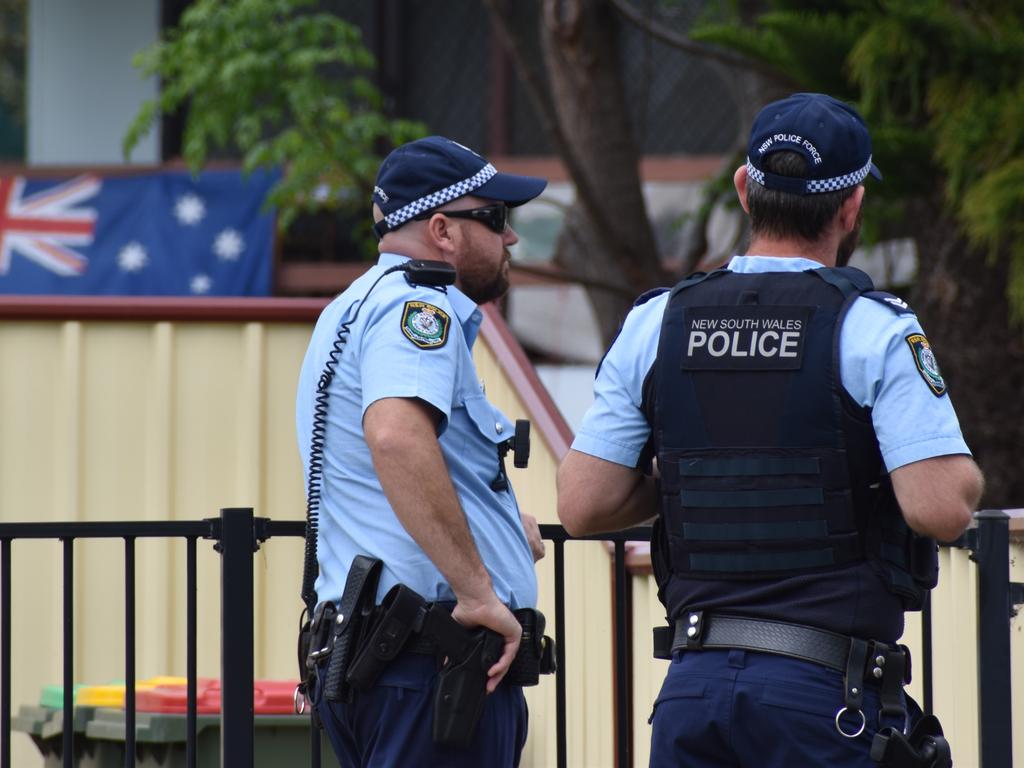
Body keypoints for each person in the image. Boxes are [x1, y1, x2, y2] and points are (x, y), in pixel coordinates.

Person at [557, 93, 984, 767]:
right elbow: (941, 508)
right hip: (822, 700)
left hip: (692, 695)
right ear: (851, 207)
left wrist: (695, 477)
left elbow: (582, 505)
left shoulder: (657, 322)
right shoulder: (873, 329)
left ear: (744, 191)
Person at [296, 135, 548, 767]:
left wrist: (495, 529)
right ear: (442, 229)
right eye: (494, 219)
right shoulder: (419, 305)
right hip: (431, 667)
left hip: (384, 662)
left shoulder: (351, 306)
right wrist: (479, 591)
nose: (510, 237)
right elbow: (396, 437)